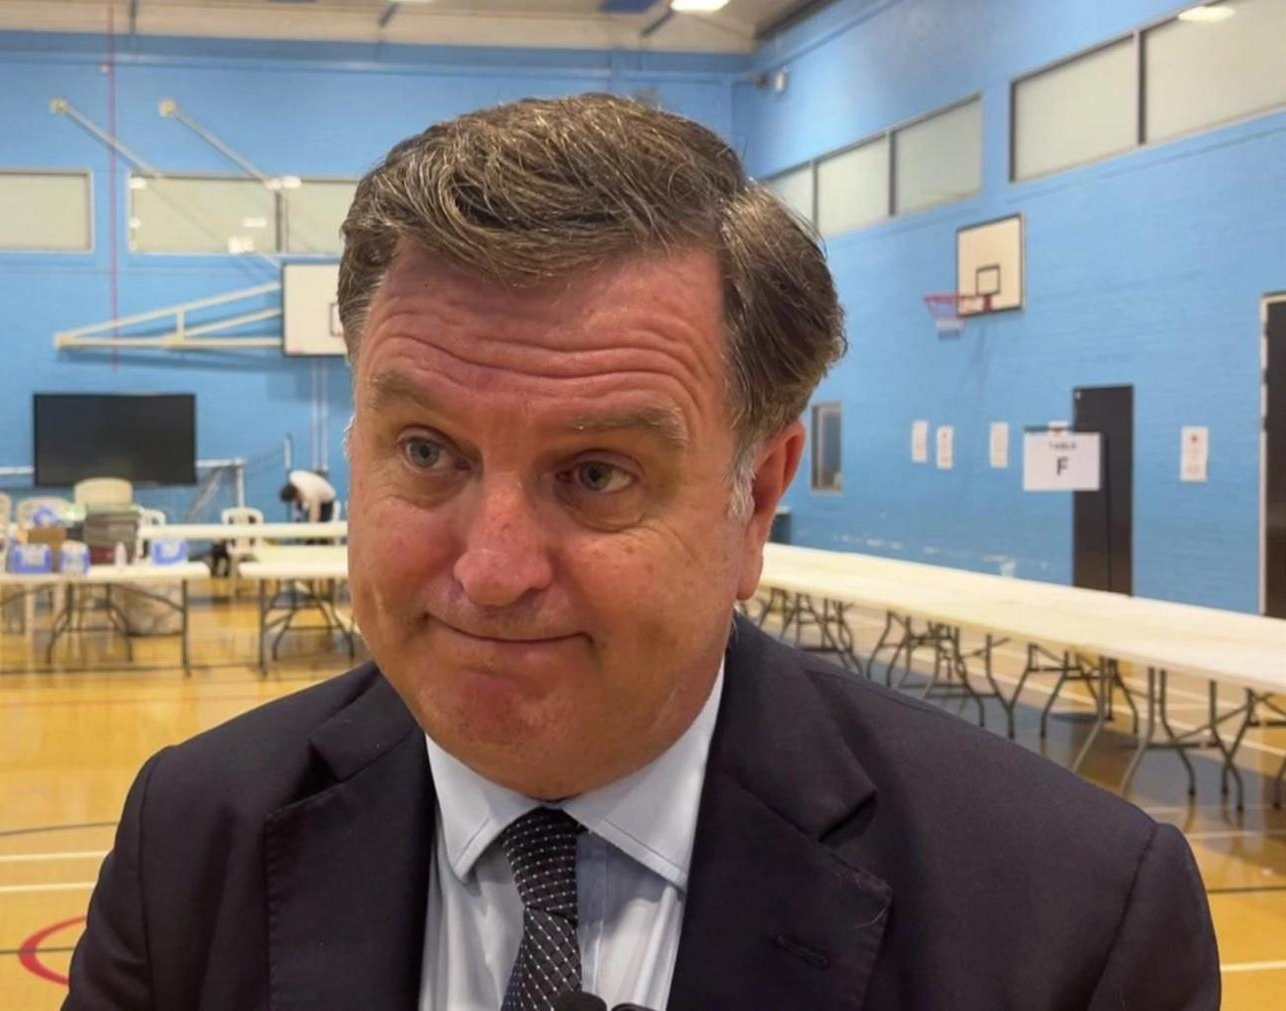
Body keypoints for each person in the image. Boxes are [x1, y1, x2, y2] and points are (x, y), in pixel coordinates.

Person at [64, 96, 1217, 1011]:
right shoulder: (193, 838)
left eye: (598, 474)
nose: (492, 568)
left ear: (754, 498)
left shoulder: (1068, 920)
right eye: (426, 451)